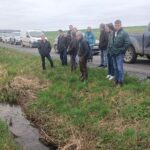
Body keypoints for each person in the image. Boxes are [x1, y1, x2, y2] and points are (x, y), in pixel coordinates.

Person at [111, 20, 130, 86]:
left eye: (118, 25)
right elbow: (112, 42)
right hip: (113, 53)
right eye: (115, 25)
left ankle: (120, 82)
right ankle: (116, 80)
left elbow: (127, 43)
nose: (116, 26)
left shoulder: (124, 33)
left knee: (119, 68)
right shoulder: (114, 32)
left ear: (121, 25)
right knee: (115, 68)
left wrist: (122, 50)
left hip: (119, 54)